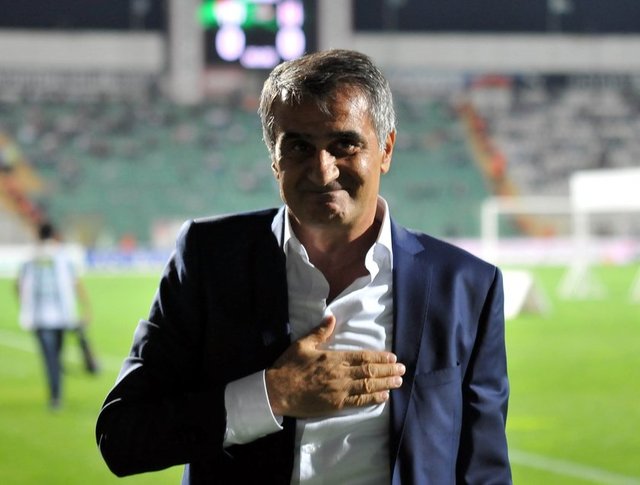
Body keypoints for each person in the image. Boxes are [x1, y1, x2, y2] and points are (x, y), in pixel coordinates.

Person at [96, 49, 511, 484]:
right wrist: (273, 394)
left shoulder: (466, 286)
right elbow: (122, 436)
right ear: (274, 159)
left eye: (345, 144)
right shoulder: (210, 260)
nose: (322, 170)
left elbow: (484, 471)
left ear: (386, 149)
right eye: (298, 147)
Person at [16, 222, 95, 410]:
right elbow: (76, 283)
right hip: (62, 316)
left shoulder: (30, 258)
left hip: (39, 317)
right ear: (54, 234)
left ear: (38, 234)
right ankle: (57, 393)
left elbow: (18, 284)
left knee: (50, 357)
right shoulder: (63, 257)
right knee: (57, 355)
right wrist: (86, 309)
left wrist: (24, 305)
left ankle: (55, 395)